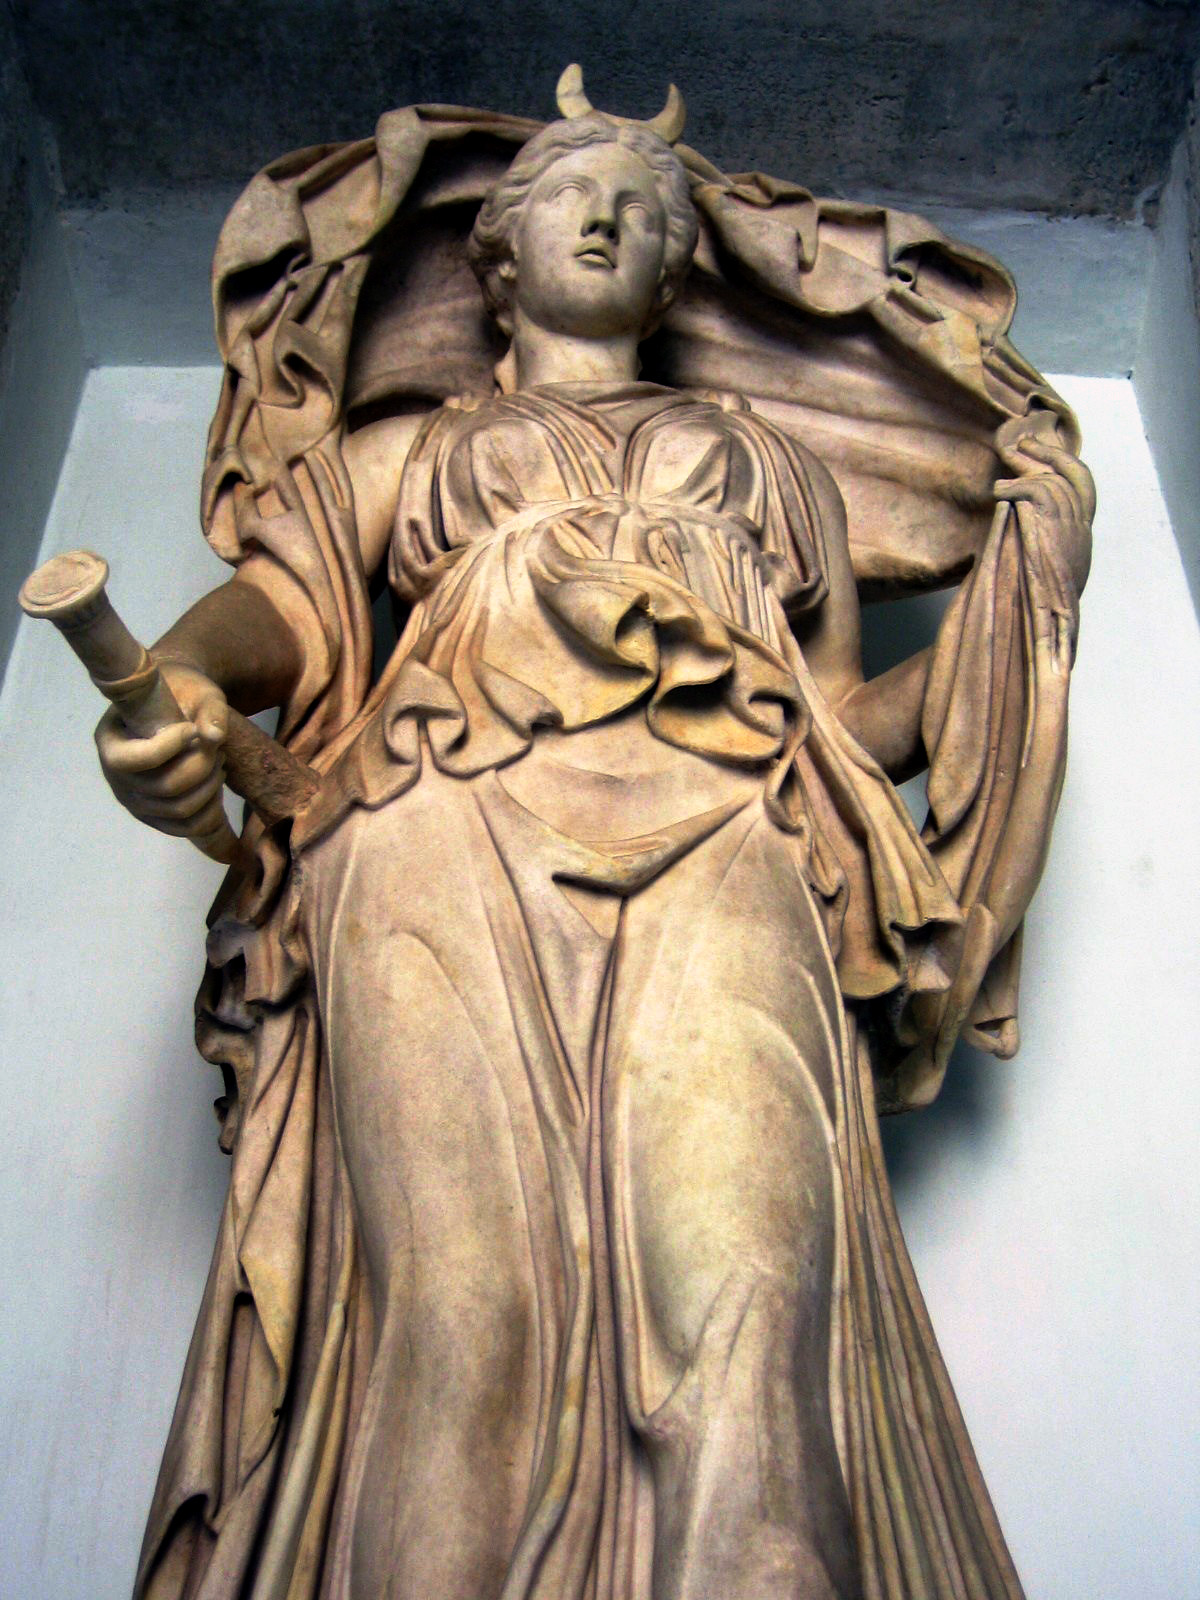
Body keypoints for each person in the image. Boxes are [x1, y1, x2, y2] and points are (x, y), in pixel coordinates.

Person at [100, 80, 1092, 1600]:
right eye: (572, 187)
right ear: (500, 250)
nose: (610, 215)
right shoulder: (413, 450)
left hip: (733, 841)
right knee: (457, 1325)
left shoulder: (775, 473)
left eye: (646, 205)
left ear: (680, 269)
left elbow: (839, 726)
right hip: (441, 831)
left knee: (756, 1310)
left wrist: (1013, 620)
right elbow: (280, 609)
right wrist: (175, 684)